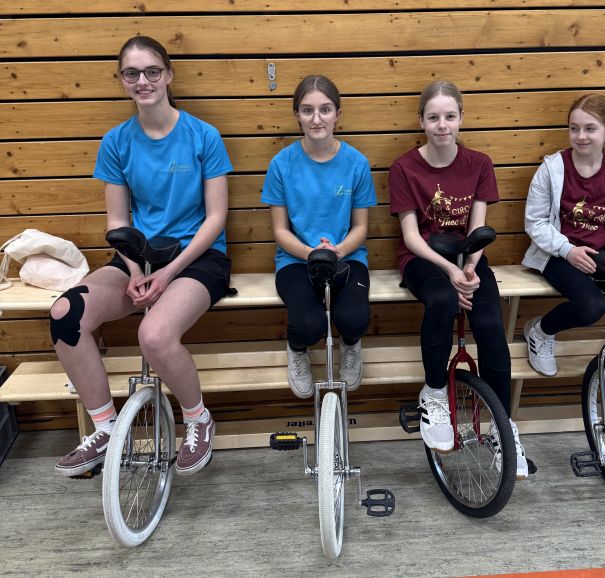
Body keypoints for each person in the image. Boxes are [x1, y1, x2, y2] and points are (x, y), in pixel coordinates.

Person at [52, 36, 233, 477]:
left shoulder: (203, 136)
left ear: (168, 75)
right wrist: (134, 270)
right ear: (121, 80)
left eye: (152, 71)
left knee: (153, 336)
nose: (143, 81)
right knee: (65, 314)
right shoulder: (116, 142)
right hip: (138, 258)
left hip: (196, 258)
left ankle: (198, 420)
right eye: (131, 73)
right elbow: (117, 221)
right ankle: (106, 427)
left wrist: (168, 273)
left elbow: (216, 219)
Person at [389, 79, 528, 479]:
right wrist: (451, 272)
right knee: (443, 301)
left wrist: (469, 267)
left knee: (489, 324)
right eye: (434, 117)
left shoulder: (479, 164)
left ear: (461, 118)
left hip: (469, 255)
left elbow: (478, 229)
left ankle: (504, 426)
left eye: (450, 116)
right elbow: (411, 237)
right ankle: (434, 393)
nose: (442, 125)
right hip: (424, 258)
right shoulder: (404, 167)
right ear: (421, 120)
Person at [261, 75, 376, 398]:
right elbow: (280, 230)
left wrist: (338, 250)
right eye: (307, 110)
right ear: (297, 115)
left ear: (338, 113)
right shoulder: (281, 164)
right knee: (308, 326)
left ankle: (350, 345)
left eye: (325, 109)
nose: (316, 119)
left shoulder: (356, 163)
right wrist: (311, 253)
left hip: (346, 258)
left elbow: (360, 227)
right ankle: (297, 349)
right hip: (296, 261)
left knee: (354, 319)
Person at [523, 93, 605, 377]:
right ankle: (540, 332)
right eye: (574, 128)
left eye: (589, 128)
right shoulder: (552, 169)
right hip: (558, 254)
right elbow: (535, 222)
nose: (580, 136)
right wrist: (568, 250)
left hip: (604, 253)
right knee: (591, 307)